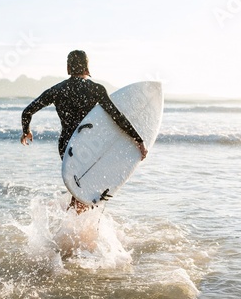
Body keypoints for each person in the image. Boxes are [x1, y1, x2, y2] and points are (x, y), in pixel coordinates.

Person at [21, 50, 148, 214]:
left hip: (67, 146)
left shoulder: (57, 90)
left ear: (68, 68)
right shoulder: (95, 89)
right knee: (87, 191)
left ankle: (71, 225)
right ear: (87, 68)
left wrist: (27, 131)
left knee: (80, 189)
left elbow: (27, 111)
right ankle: (74, 229)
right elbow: (117, 117)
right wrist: (137, 139)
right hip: (90, 145)